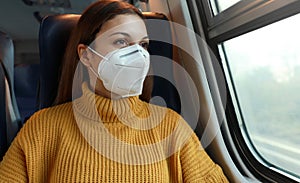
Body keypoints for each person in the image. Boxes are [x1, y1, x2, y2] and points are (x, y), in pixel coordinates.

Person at [0, 0, 229, 182]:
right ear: (86, 55)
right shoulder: (42, 128)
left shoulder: (171, 126)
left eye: (143, 45)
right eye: (121, 42)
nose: (139, 56)